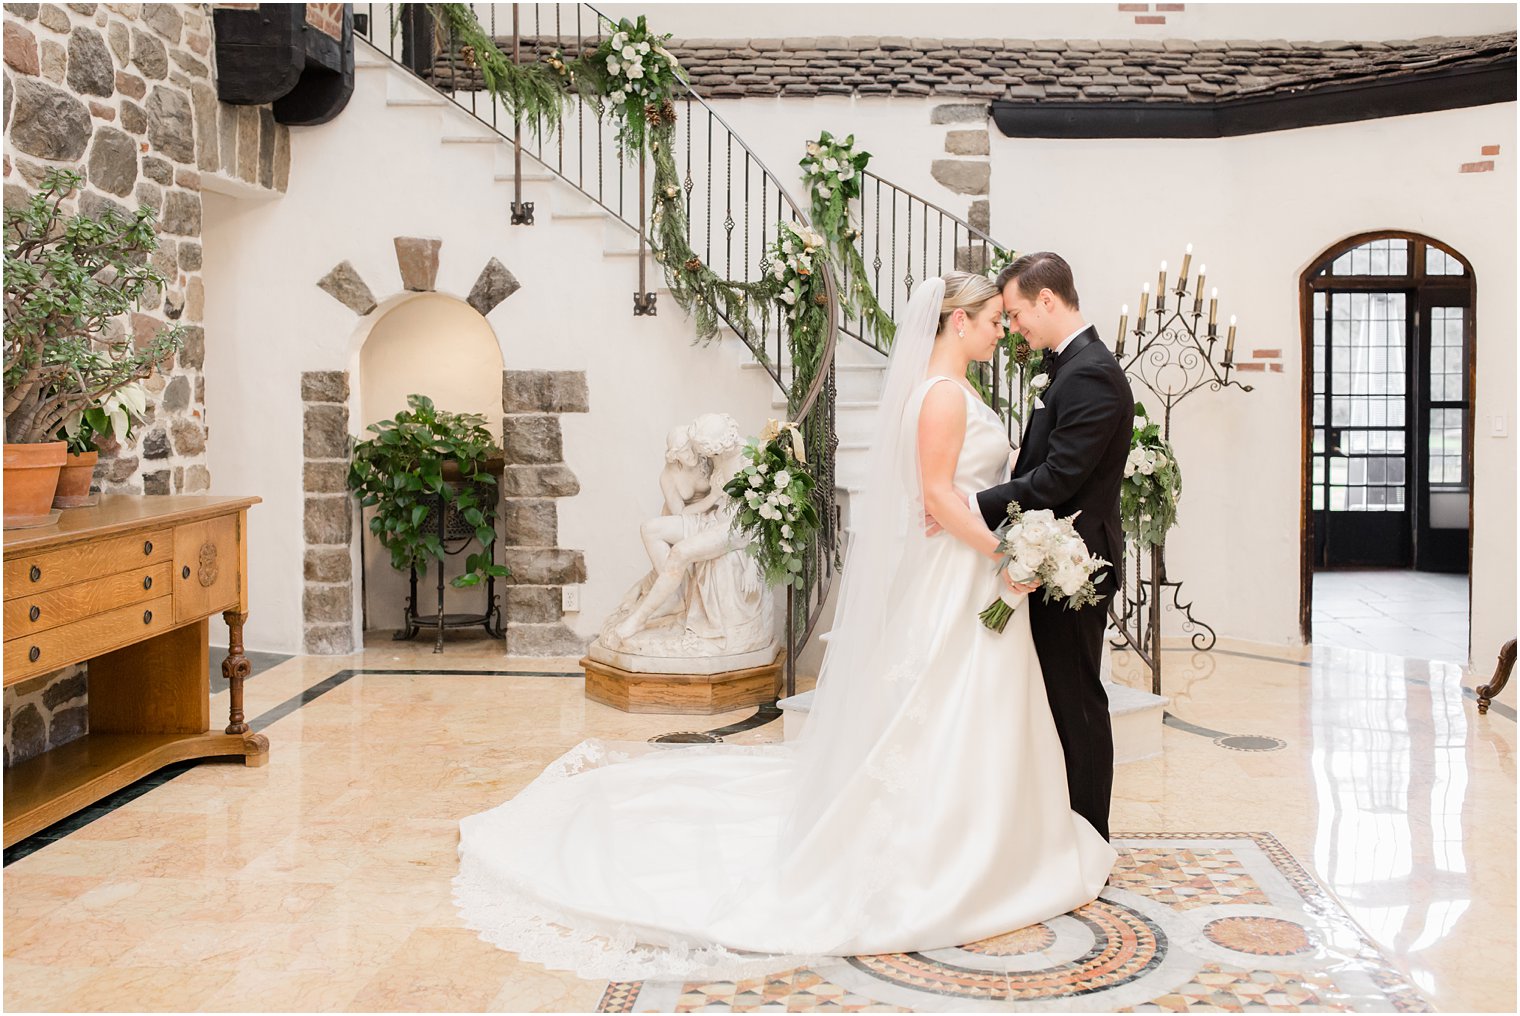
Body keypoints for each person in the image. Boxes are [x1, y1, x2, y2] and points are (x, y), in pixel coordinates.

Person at [453, 273, 1116, 981]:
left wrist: (998, 537)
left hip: (962, 575)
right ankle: (957, 850)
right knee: (945, 704)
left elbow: (963, 491)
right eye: (991, 319)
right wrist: (1006, 553)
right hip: (964, 571)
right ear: (958, 323)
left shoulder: (949, 390)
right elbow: (936, 498)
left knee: (969, 707)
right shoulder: (945, 396)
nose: (1000, 331)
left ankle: (992, 841)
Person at [971, 252, 1135, 842]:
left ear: (1047, 300)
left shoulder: (1089, 372)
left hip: (1075, 565)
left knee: (1078, 701)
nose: (1013, 327)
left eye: (1016, 313)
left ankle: (1091, 836)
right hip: (1054, 556)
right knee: (1058, 698)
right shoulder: (1067, 365)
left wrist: (975, 507)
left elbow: (1059, 478)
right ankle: (1062, 830)